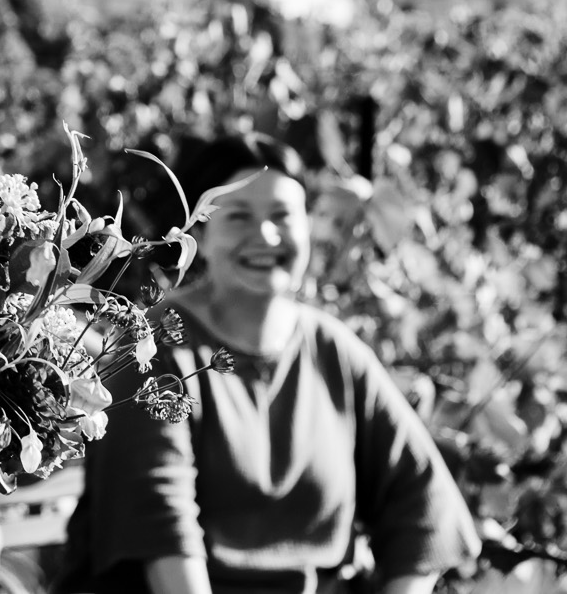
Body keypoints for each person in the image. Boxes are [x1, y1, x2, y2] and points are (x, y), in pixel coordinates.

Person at [60, 135, 479, 594]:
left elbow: (424, 500)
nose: (266, 235)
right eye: (239, 216)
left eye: (282, 216)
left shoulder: (333, 351)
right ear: (198, 235)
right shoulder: (154, 349)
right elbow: (163, 538)